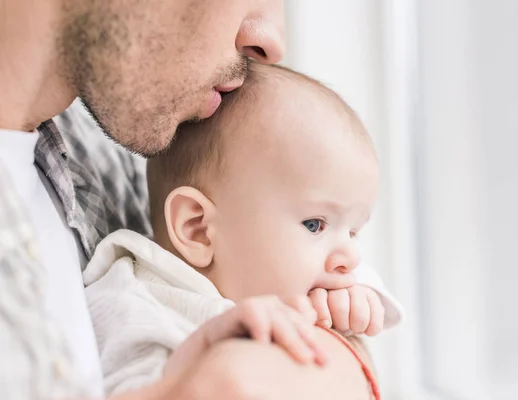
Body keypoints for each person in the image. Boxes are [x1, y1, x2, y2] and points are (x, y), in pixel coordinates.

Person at [0, 1, 397, 399]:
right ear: (194, 226)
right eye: (315, 225)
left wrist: (334, 335)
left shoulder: (107, 157)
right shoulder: (132, 294)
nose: (272, 43)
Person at [83, 62, 402, 397]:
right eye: (314, 225)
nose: (350, 257)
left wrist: (353, 306)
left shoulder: (313, 277)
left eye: (353, 232)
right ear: (199, 229)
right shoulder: (134, 303)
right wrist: (200, 351)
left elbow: (372, 299)